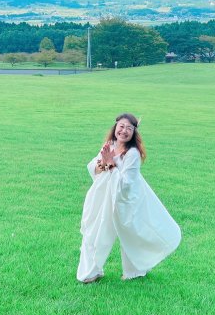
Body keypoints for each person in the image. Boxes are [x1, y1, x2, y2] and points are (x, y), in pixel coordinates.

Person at [77, 113, 181, 283]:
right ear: (115, 127)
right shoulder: (109, 145)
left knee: (131, 236)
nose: (124, 131)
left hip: (127, 202)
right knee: (94, 233)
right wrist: (102, 165)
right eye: (121, 126)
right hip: (105, 199)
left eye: (129, 128)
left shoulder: (132, 154)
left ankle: (135, 271)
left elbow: (126, 185)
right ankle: (90, 273)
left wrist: (111, 165)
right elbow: (94, 166)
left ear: (133, 132)